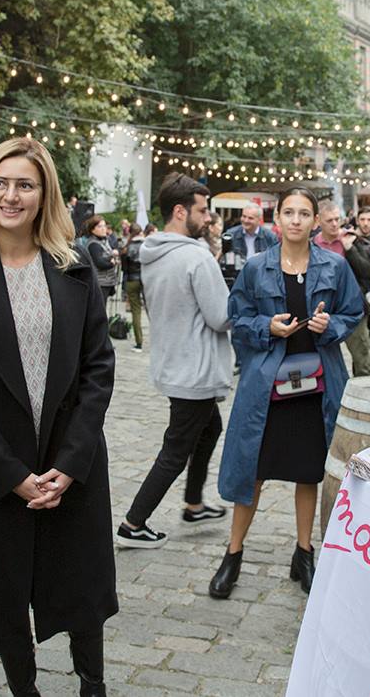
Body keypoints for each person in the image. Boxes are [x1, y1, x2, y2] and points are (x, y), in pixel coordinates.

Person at [0, 137, 116, 697]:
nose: (10, 196)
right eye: (0, 183)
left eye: (25, 185)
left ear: (44, 194)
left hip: (70, 457)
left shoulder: (72, 265)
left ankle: (93, 684)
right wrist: (10, 473)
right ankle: (24, 690)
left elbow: (98, 367)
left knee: (80, 585)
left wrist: (73, 461)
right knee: (5, 591)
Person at [210, 188, 364, 599]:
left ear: (315, 220)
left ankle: (304, 552)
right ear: (276, 218)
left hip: (316, 387)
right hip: (267, 389)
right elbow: (238, 316)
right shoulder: (256, 267)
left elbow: (353, 311)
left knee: (308, 471)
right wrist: (267, 327)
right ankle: (233, 553)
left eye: (304, 213)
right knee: (254, 470)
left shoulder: (335, 265)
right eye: (289, 212)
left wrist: (330, 326)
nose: (296, 220)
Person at [118, 173, 231, 548]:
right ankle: (134, 523)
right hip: (194, 370)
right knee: (175, 451)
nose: (209, 218)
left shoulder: (152, 251)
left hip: (174, 362)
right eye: (203, 210)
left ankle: (194, 503)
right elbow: (221, 316)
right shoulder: (196, 257)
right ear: (181, 212)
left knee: (210, 429)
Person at [313, 201, 370, 376]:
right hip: (324, 307)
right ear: (319, 221)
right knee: (324, 359)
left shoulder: (350, 239)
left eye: (337, 219)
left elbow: (366, 271)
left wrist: (349, 249)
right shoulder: (313, 244)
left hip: (352, 305)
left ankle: (364, 390)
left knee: (362, 358)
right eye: (329, 220)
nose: (335, 224)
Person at [82, 215, 120, 303]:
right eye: (99, 226)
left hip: (106, 281)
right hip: (100, 282)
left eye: (104, 226)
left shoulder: (103, 240)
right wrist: (112, 262)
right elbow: (100, 263)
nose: (103, 229)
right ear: (92, 229)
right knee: (100, 308)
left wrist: (112, 256)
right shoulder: (93, 244)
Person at [121, 223, 146, 352]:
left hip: (132, 280)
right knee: (152, 310)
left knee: (136, 311)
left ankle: (139, 342)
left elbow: (124, 268)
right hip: (146, 279)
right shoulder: (147, 246)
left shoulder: (126, 248)